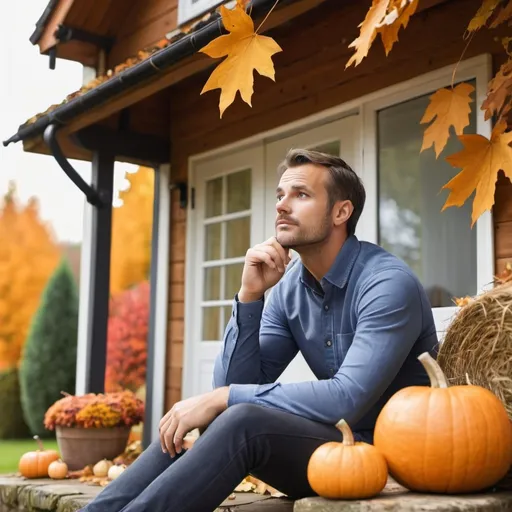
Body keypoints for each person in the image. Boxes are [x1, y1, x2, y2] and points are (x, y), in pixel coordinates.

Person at [81, 149, 438, 512]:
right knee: (217, 418)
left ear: (341, 213)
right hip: (333, 451)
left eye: (300, 194)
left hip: (394, 456)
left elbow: (347, 398)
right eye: (280, 196)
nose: (282, 206)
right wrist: (250, 297)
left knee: (242, 416)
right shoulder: (288, 290)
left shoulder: (386, 284)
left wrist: (222, 398)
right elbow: (236, 381)